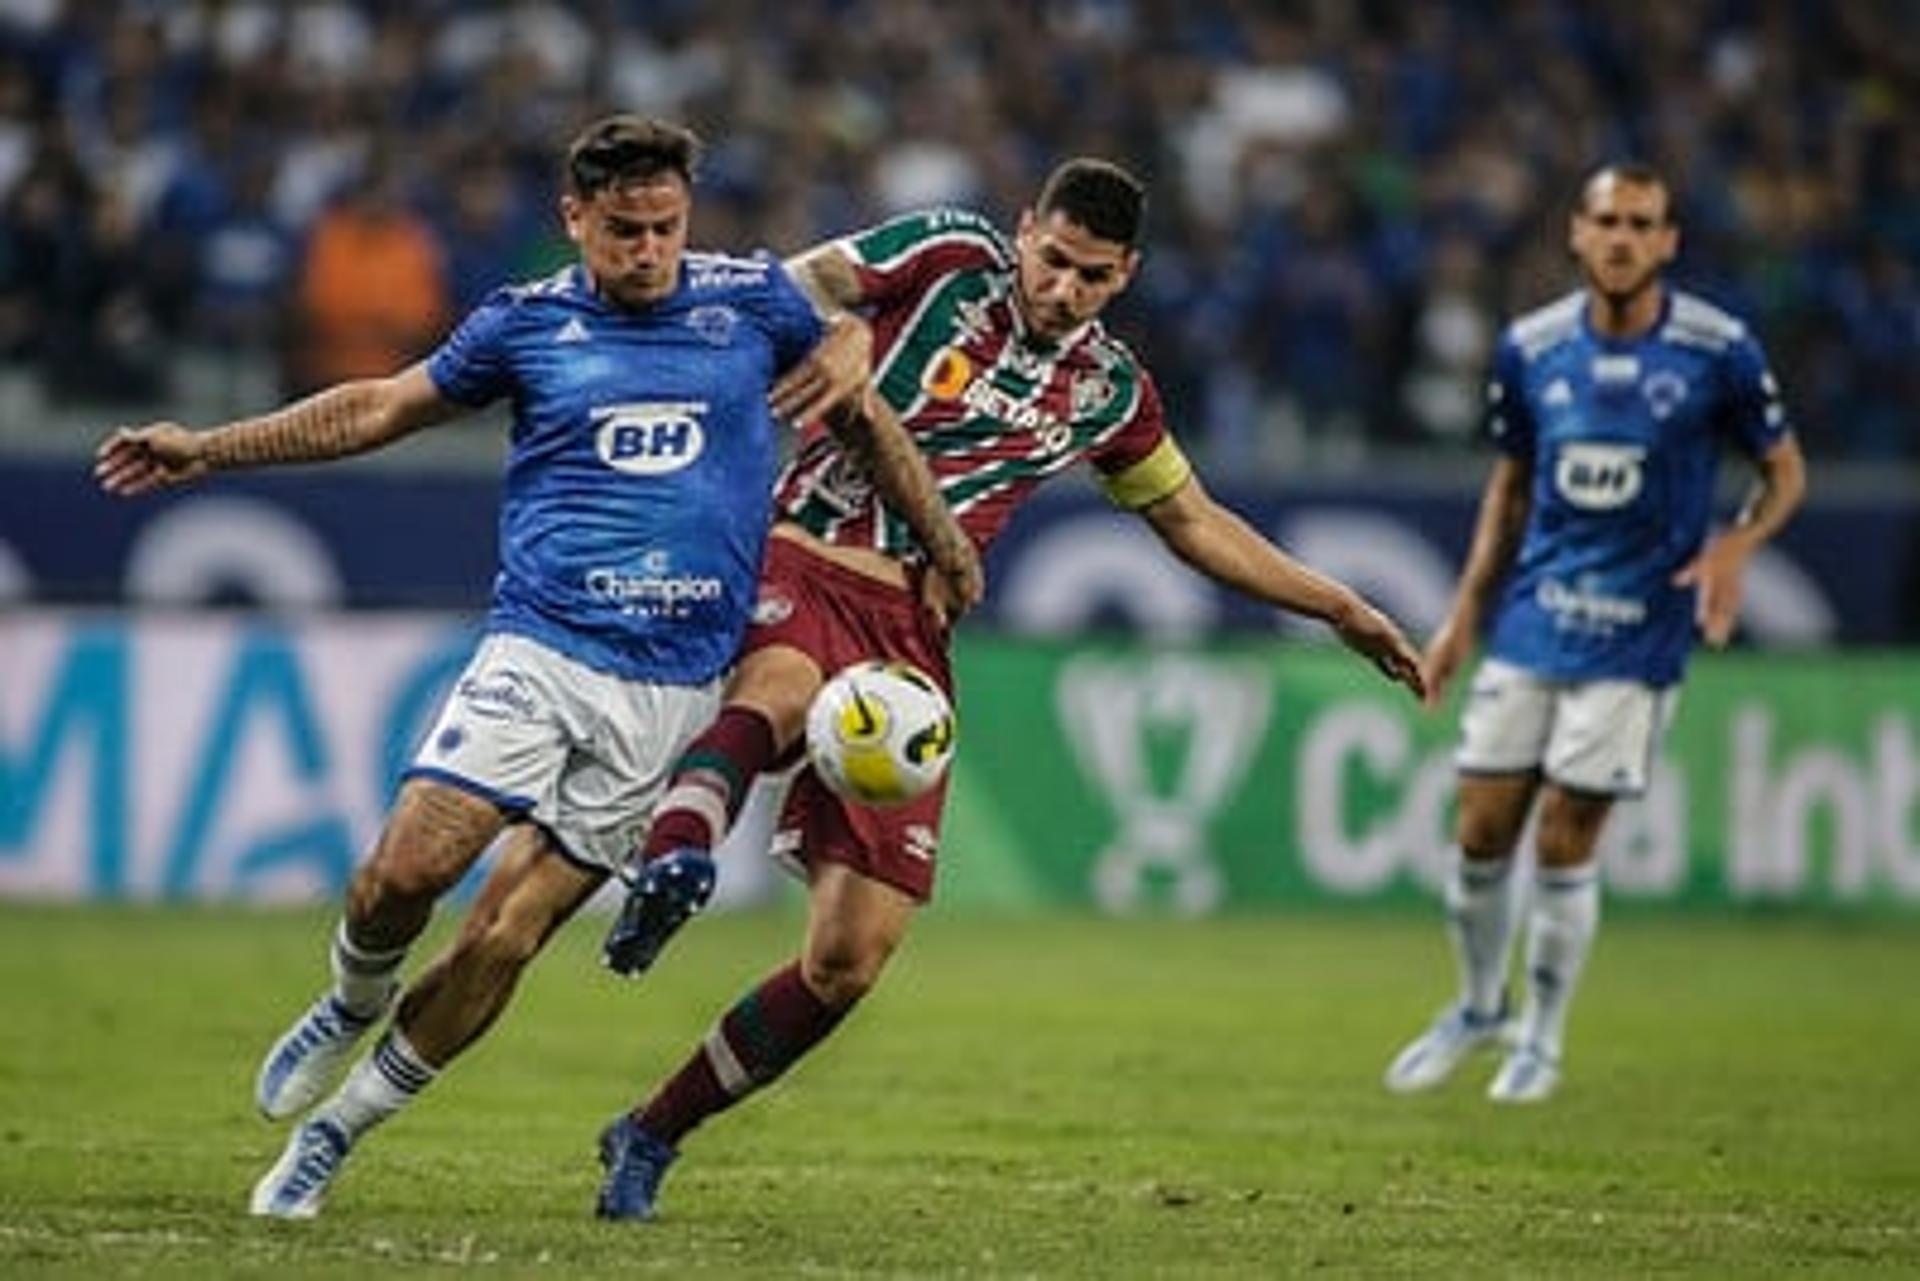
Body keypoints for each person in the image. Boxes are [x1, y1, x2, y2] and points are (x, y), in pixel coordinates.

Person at [92, 114, 980, 1219]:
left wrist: (941, 541)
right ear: (574, 220)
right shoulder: (524, 323)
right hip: (542, 647)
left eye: (664, 227)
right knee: (403, 873)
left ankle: (335, 1134)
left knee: (505, 935)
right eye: (622, 231)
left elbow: (866, 417)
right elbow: (379, 406)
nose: (646, 249)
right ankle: (348, 995)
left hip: (671, 688)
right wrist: (210, 448)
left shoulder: (751, 305)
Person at [590, 157, 1429, 1221]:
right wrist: (833, 335)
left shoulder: (1109, 389)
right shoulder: (947, 256)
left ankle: (650, 1132)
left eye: (1090, 276)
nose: (1061, 288)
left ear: (1124, 275)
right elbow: (784, 286)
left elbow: (1194, 523)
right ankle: (675, 861)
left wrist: (1340, 607)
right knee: (784, 690)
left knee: (849, 961)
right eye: (1052, 259)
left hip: (913, 637)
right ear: (1024, 230)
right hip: (807, 554)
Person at [1382, 163, 1807, 1104]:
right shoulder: (1529, 348)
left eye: (1640, 223)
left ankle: (1543, 1034)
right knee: (1480, 827)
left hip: (1638, 630)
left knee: (1567, 838)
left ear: (1668, 241)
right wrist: (1462, 619)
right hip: (1536, 616)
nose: (1621, 237)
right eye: (1605, 220)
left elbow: (1784, 472)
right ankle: (1479, 1007)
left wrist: (1738, 543)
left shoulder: (1718, 349)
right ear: (1576, 234)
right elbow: (1510, 489)